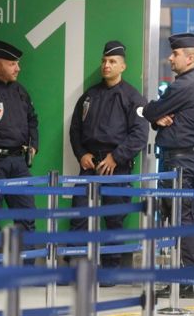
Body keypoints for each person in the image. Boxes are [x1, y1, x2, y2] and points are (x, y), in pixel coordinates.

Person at [68, 41, 149, 277]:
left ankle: (111, 270)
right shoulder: (89, 96)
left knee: (114, 220)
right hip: (90, 167)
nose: (106, 65)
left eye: (112, 61)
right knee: (79, 217)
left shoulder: (133, 98)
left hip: (117, 168)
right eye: (104, 61)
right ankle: (75, 267)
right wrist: (81, 153)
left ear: (122, 66)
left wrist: (116, 157)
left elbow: (139, 135)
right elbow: (75, 130)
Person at [144, 33, 194, 299]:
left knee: (180, 219)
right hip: (192, 159)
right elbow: (157, 115)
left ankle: (185, 279)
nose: (170, 58)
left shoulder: (185, 85)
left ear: (191, 57)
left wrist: (154, 113)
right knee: (188, 217)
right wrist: (158, 116)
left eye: (175, 54)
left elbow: (152, 110)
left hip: (180, 161)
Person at [0, 40, 38, 257]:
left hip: (19, 163)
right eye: (12, 64)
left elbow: (33, 120)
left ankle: (28, 268)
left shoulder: (21, 91)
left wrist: (34, 145)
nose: (18, 68)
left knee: (26, 216)